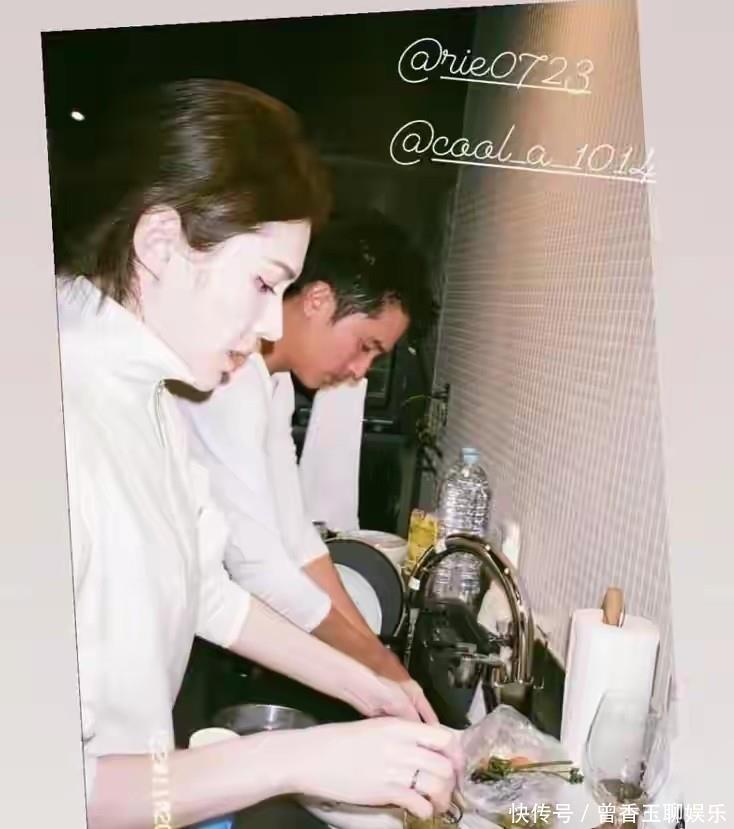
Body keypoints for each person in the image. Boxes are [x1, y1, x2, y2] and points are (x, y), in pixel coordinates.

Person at [53, 78, 462, 829]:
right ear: (160, 244)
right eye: (263, 282)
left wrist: (364, 685)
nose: (273, 323)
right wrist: (294, 759)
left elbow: (208, 590)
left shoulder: (152, 393)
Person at [175, 211, 438, 714]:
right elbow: (260, 569)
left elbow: (297, 539)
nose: (360, 371)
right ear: (318, 299)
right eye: (366, 346)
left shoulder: (271, 383)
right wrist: (375, 666)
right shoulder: (233, 382)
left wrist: (381, 659)